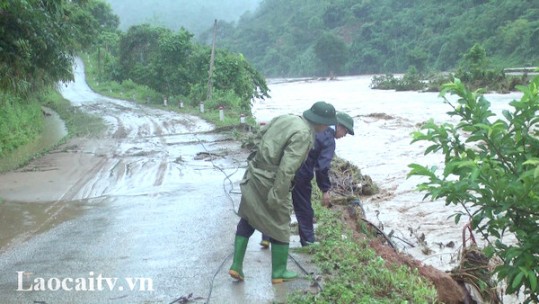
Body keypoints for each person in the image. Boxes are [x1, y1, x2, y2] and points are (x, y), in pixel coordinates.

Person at [229, 101, 337, 284]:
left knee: (248, 217)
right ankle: (279, 272)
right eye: (327, 123)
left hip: (255, 172)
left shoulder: (287, 118)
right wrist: (278, 194)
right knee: (281, 224)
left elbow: (258, 136)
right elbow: (287, 169)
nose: (328, 127)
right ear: (320, 122)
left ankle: (236, 266)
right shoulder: (304, 134)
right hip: (271, 180)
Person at [260, 112, 355, 248]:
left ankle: (266, 236)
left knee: (277, 200)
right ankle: (308, 242)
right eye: (345, 132)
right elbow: (322, 168)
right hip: (301, 175)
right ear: (339, 126)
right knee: (304, 209)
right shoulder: (328, 140)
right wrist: (325, 190)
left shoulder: (314, 127)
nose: (344, 136)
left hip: (284, 167)